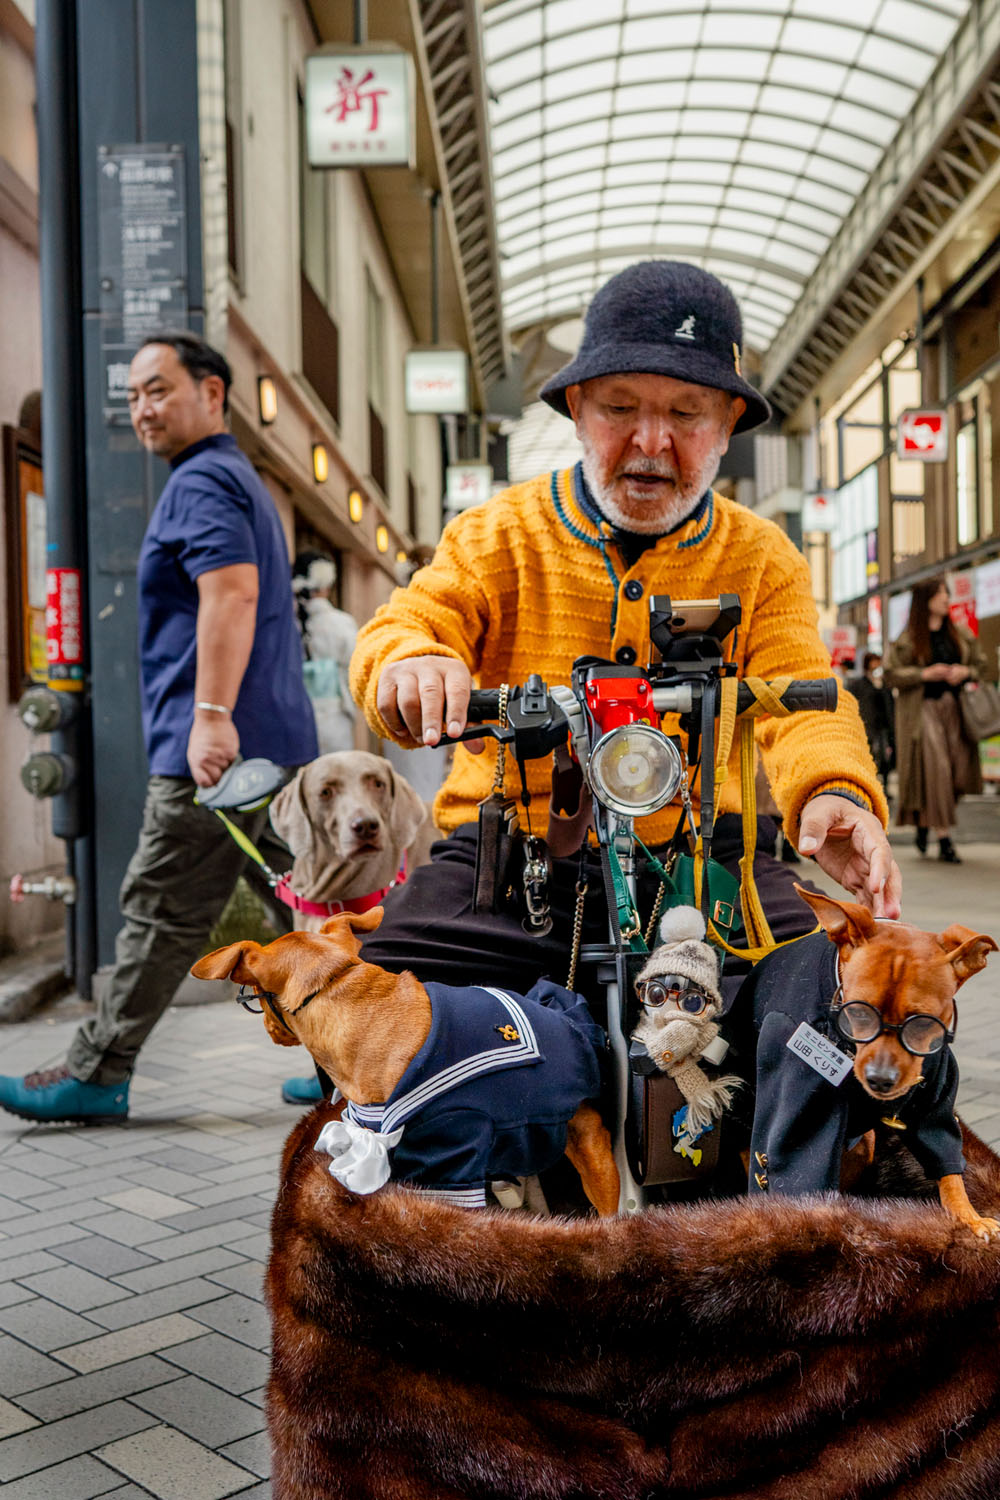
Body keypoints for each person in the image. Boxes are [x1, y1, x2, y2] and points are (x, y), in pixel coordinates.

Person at [281, 260, 901, 1108]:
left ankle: (786, 1211)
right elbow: (409, 622)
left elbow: (806, 697)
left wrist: (834, 793)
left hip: (711, 853)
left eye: (687, 414)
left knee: (842, 1003)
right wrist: (410, 661)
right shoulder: (498, 533)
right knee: (363, 1008)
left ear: (726, 426)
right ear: (578, 410)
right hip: (513, 856)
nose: (653, 443)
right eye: (622, 409)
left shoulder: (763, 558)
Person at [0, 331, 318, 1124]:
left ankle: (96, 1072)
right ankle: (367, 1054)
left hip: (216, 751)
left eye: (158, 389)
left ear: (212, 394)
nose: (142, 408)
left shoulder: (203, 481)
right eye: (134, 394)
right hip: (262, 747)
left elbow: (230, 594)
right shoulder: (231, 477)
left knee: (158, 910)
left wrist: (208, 719)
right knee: (312, 910)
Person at [884, 577, 986, 863]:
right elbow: (891, 674)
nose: (946, 598)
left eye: (946, 593)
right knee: (937, 769)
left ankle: (924, 823)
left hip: (954, 708)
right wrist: (924, 674)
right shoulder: (908, 639)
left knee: (958, 771)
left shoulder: (960, 634)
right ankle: (944, 839)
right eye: (940, 593)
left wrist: (964, 672)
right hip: (923, 711)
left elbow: (981, 664)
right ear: (925, 600)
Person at [292, 549, 358, 753]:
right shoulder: (341, 623)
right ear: (327, 585)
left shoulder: (287, 625)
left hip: (296, 715)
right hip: (334, 717)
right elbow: (355, 667)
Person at [846, 652, 895, 790]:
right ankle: (868, 785)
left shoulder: (883, 683)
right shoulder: (859, 684)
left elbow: (888, 703)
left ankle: (884, 786)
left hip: (882, 726)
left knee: (885, 758)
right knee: (869, 756)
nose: (876, 665)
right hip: (866, 725)